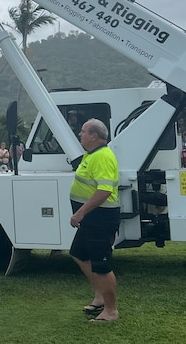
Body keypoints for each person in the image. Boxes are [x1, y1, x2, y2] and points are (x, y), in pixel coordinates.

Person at [69, 119, 120, 322]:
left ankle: (111, 311)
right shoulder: (92, 154)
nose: (80, 134)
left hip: (100, 218)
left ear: (94, 136)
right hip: (92, 218)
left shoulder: (103, 157)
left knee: (101, 265)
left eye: (83, 131)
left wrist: (80, 213)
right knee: (79, 253)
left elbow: (104, 191)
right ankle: (100, 297)